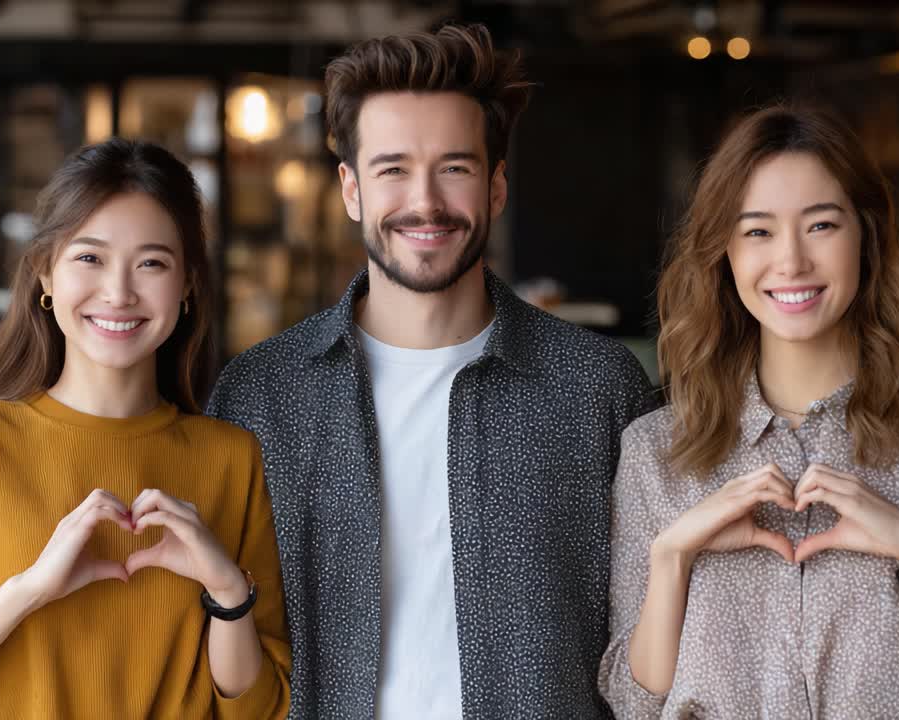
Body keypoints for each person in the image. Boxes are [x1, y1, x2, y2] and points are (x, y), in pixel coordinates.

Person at [207, 24, 657, 719]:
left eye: (455, 167)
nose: (425, 201)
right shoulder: (261, 395)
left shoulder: (596, 388)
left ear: (496, 186)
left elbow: (646, 641)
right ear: (351, 189)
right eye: (393, 169)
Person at [599, 105, 899, 719]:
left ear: (866, 236)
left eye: (821, 225)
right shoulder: (656, 449)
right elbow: (632, 704)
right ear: (724, 252)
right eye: (758, 231)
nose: (792, 261)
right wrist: (673, 558)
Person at [0, 138, 290, 719]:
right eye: (90, 258)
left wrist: (230, 592)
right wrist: (29, 590)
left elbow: (262, 709)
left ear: (187, 284)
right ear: (45, 273)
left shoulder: (232, 458)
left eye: (152, 263)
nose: (119, 293)